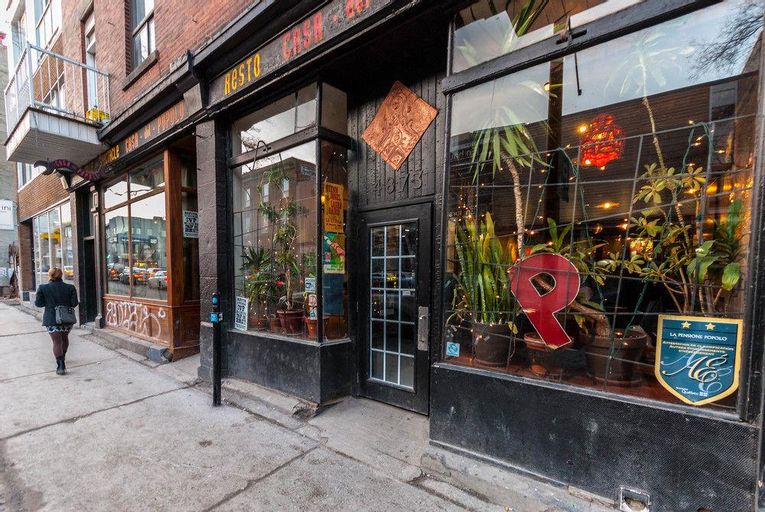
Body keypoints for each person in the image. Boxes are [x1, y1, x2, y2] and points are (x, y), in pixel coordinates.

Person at [35, 267, 79, 375]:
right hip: (66, 318)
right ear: (61, 275)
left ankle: (61, 366)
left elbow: (39, 304)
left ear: (49, 275)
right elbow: (74, 303)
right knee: (64, 338)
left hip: (52, 318)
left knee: (57, 341)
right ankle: (62, 357)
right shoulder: (70, 287)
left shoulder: (43, 288)